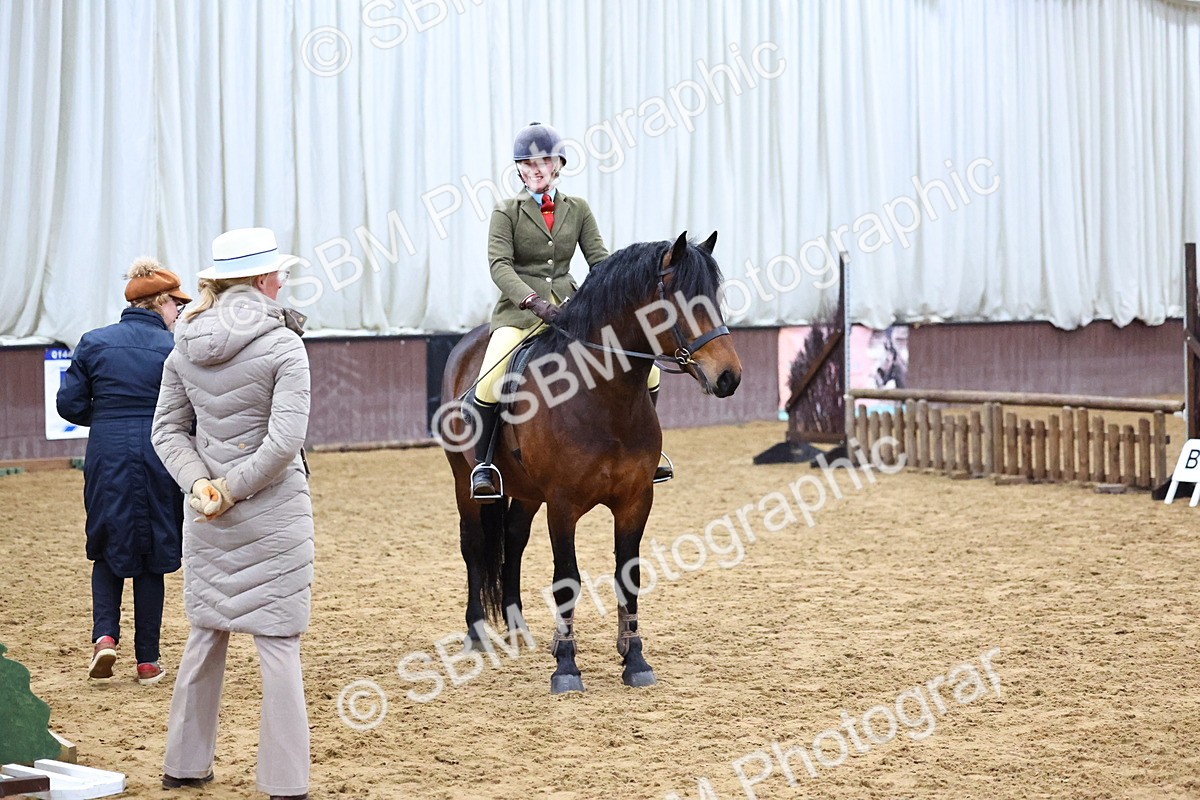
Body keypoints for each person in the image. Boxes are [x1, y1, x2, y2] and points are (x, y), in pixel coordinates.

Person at [151, 227, 312, 800]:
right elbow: (285, 439)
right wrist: (232, 487)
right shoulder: (285, 344)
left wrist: (202, 485)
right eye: (280, 274)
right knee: (278, 645)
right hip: (271, 513)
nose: (283, 281)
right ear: (263, 280)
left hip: (208, 514)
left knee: (206, 635)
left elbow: (166, 430)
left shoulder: (183, 341)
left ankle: (183, 765)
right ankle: (285, 782)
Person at [469, 122, 670, 501]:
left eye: (544, 161)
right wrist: (531, 301)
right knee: (488, 381)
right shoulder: (505, 212)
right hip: (519, 314)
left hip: (571, 311)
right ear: (519, 169)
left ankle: (647, 451)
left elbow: (600, 260)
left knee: (653, 371)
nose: (537, 170)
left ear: (559, 164)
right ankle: (484, 466)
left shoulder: (577, 209)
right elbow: (500, 265)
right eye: (528, 164)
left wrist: (619, 293)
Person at [56, 257, 191, 686]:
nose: (179, 313)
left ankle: (104, 638)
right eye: (177, 305)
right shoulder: (175, 348)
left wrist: (108, 416)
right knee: (154, 553)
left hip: (107, 450)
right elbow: (191, 407)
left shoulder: (94, 342)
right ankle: (148, 661)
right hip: (159, 449)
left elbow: (70, 404)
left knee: (106, 543)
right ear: (161, 303)